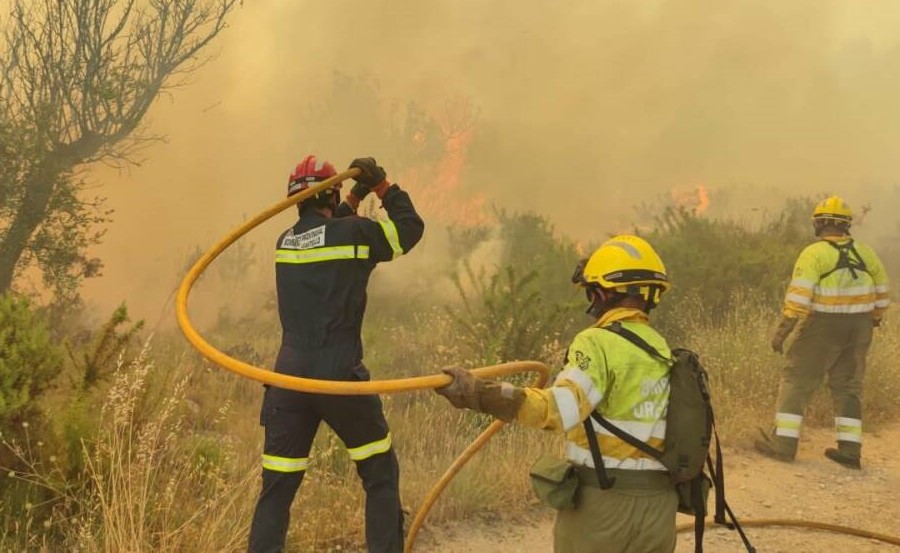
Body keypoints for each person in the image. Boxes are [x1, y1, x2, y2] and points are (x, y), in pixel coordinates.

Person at [435, 235, 679, 553]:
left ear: (603, 292)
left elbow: (560, 408)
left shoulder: (597, 342)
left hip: (605, 508)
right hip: (659, 511)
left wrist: (481, 393)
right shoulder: (663, 349)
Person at [248, 155, 425, 553]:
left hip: (289, 380)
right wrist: (382, 186)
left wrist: (354, 195)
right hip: (338, 377)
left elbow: (324, 232)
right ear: (331, 192)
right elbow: (409, 230)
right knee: (379, 473)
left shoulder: (285, 242)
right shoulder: (355, 233)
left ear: (296, 199)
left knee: (276, 490)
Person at [755, 195, 890, 469]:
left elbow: (799, 297)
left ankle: (783, 445)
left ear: (819, 223)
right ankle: (850, 451)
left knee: (796, 379)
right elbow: (883, 294)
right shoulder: (866, 252)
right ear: (846, 225)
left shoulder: (814, 253)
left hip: (823, 327)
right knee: (848, 386)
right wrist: (873, 319)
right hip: (860, 326)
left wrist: (783, 331)